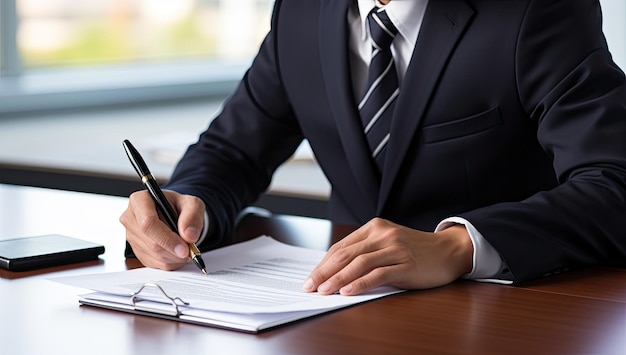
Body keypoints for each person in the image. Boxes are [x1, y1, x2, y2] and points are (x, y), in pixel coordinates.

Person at [120, 0, 626, 296]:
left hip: (497, 312)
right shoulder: (301, 11)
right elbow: (234, 151)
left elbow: (614, 182)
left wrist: (458, 246)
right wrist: (188, 205)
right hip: (329, 310)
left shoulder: (537, 10)